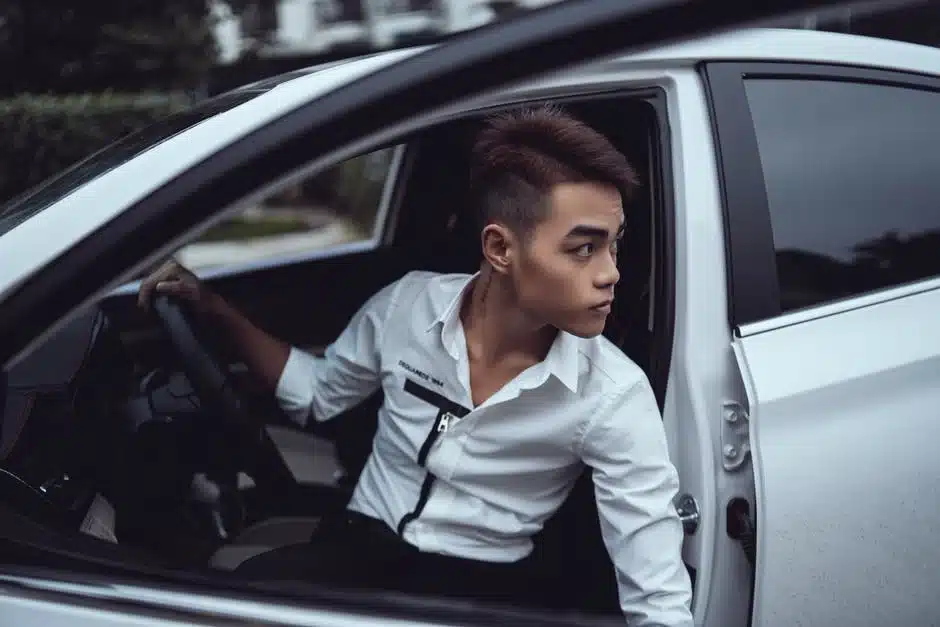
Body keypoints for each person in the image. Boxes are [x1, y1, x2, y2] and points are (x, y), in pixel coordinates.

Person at [139, 104, 694, 626]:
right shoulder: (407, 307)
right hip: (358, 547)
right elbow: (315, 394)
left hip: (480, 591)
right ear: (501, 249)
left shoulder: (613, 393)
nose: (611, 273)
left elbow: (656, 593)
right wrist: (214, 309)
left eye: (614, 246)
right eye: (584, 248)